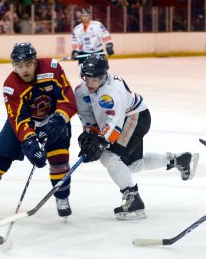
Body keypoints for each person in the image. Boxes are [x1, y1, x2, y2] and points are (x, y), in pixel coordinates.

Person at [0, 42, 78, 218]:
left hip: (54, 119)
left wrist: (58, 121)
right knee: (0, 157)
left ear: (35, 62)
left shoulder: (52, 69)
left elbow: (68, 99)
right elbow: (18, 118)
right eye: (19, 66)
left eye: (28, 64)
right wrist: (30, 142)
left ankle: (62, 198)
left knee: (59, 158)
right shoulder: (11, 85)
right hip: (25, 123)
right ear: (13, 66)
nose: (25, 70)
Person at [74, 54, 199, 220]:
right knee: (131, 165)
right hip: (127, 118)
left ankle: (133, 201)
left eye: (94, 79)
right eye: (86, 78)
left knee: (109, 156)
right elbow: (87, 116)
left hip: (135, 117)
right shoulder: (81, 91)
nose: (90, 84)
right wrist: (90, 135)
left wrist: (99, 142)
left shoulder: (112, 93)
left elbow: (114, 125)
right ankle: (178, 160)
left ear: (104, 77)